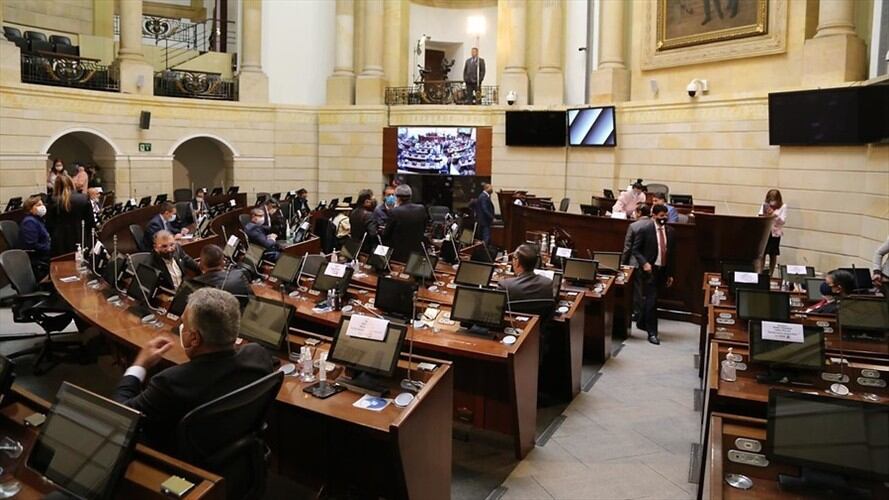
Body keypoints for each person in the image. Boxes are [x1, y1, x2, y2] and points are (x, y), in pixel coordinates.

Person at [113, 288, 274, 455]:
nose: (181, 327)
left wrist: (139, 365)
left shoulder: (171, 382)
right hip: (238, 456)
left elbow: (121, 414)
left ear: (195, 338)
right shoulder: (258, 356)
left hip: (182, 467)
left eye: (184, 323)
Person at [632, 204, 675, 345]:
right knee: (652, 300)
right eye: (661, 216)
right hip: (650, 270)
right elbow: (636, 250)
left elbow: (672, 255)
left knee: (652, 299)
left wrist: (670, 274)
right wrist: (644, 263)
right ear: (654, 216)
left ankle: (641, 322)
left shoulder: (671, 231)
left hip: (662, 271)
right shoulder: (645, 230)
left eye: (666, 215)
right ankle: (652, 333)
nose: (664, 218)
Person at [46, 175, 94, 256]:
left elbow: (49, 224)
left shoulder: (53, 200)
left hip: (59, 241)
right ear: (71, 183)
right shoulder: (83, 198)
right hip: (79, 236)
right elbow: (90, 222)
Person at [192, 244, 252, 308]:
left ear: (201, 264)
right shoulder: (239, 275)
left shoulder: (194, 285)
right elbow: (252, 301)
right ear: (223, 262)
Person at [383, 184, 428, 262]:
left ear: (397, 197)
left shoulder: (394, 212)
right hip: (416, 253)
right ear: (410, 196)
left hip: (398, 255)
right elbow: (424, 228)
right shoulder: (421, 208)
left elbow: (386, 234)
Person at [622, 204, 651, 321]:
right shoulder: (653, 225)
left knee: (637, 289)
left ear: (639, 213)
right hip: (650, 261)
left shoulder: (633, 226)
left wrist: (623, 263)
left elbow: (627, 247)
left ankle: (637, 313)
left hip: (635, 262)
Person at [20, 195, 51, 281]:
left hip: (44, 252)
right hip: (40, 257)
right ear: (30, 209)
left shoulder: (38, 220)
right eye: (38, 205)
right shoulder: (29, 222)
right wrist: (51, 248)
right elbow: (32, 246)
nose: (42, 207)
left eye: (42, 204)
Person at [758, 189, 787, 277]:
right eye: (770, 198)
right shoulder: (765, 205)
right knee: (762, 253)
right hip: (765, 231)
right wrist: (764, 214)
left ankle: (770, 273)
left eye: (774, 199)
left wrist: (774, 215)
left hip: (775, 233)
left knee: (773, 253)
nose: (772, 201)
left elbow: (783, 221)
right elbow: (759, 215)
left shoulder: (783, 206)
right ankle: (760, 272)